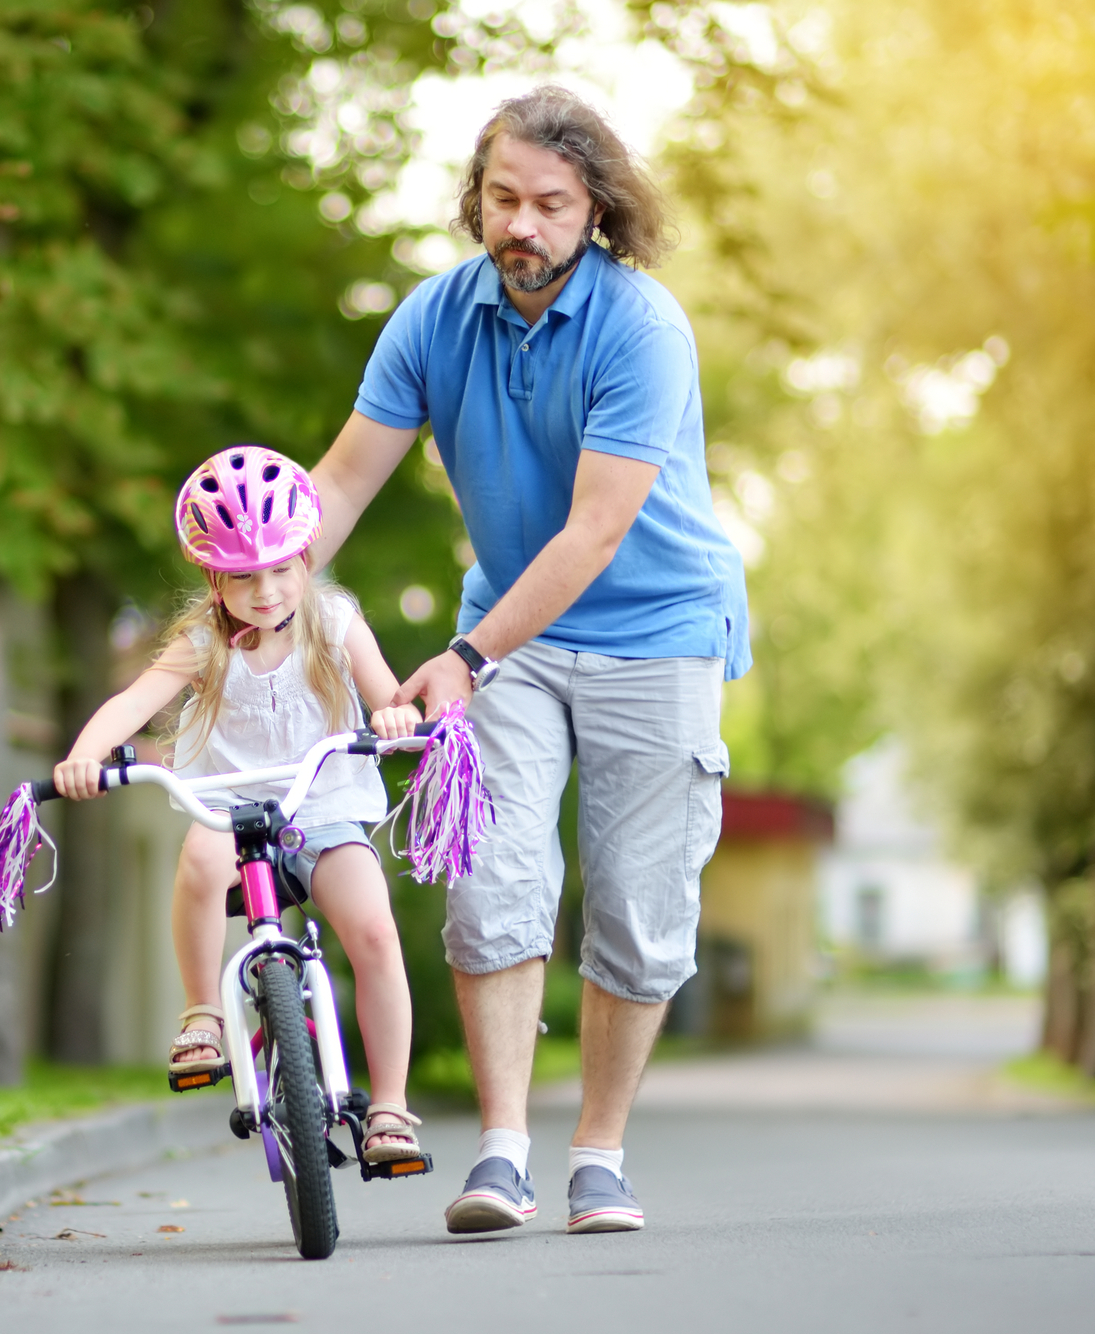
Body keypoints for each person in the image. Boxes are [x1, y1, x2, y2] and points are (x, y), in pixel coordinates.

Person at [305, 87, 751, 1234]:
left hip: (654, 633)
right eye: (502, 197)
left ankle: (596, 1153)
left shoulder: (639, 326)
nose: (522, 225)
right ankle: (500, 1152)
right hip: (509, 633)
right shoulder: (432, 318)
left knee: (638, 906)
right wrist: (253, 565)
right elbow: (344, 480)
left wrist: (459, 654)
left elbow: (592, 532)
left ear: (595, 209)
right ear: (476, 199)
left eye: (550, 203)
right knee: (492, 881)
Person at [54, 446, 428, 1162]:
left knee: (375, 933)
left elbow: (389, 697)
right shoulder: (203, 643)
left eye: (282, 568)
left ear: (306, 557)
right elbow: (135, 700)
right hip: (233, 811)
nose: (267, 591)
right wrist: (85, 754)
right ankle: (202, 1014)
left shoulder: (335, 621)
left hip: (324, 807)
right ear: (212, 578)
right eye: (244, 577)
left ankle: (389, 1109)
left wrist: (395, 719)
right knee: (199, 857)